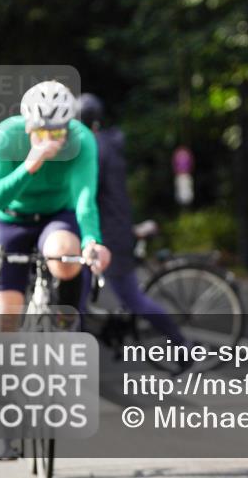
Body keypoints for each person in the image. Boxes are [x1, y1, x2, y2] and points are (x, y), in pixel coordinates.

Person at [0, 80, 111, 461]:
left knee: (66, 255)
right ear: (27, 125)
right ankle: (1, 432)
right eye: (43, 130)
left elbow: (85, 197)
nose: (52, 137)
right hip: (9, 221)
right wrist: (31, 163)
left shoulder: (83, 140)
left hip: (57, 217)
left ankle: (67, 324)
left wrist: (92, 241)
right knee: (3, 324)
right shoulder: (5, 138)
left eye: (60, 131)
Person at [77, 93, 188, 354]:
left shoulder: (95, 150)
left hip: (109, 235)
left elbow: (85, 194)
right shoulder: (105, 145)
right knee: (82, 300)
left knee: (127, 298)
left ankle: (183, 346)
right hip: (113, 229)